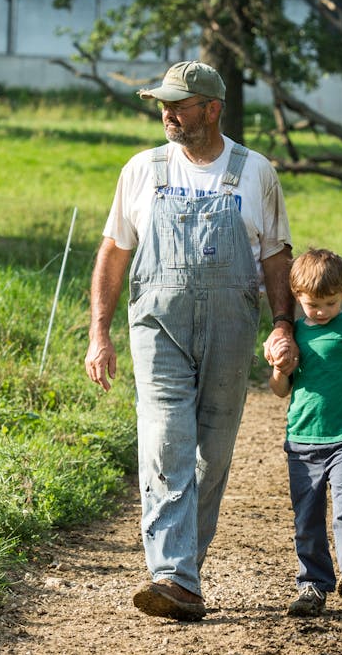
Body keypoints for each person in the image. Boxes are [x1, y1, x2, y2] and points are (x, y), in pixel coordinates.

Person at [85, 60, 297, 622]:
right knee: (163, 441)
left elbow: (276, 254)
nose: (167, 114)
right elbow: (113, 254)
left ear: (212, 109)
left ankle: (185, 575)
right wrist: (98, 333)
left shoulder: (256, 173)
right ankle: (172, 574)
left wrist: (283, 324)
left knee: (212, 455)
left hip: (231, 326)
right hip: (158, 325)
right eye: (163, 104)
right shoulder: (141, 170)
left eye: (178, 104)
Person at [267, 248, 342, 617]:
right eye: (311, 304)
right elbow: (280, 390)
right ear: (297, 297)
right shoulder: (294, 334)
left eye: (330, 303)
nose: (320, 311)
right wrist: (278, 368)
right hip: (302, 440)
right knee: (307, 517)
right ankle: (312, 585)